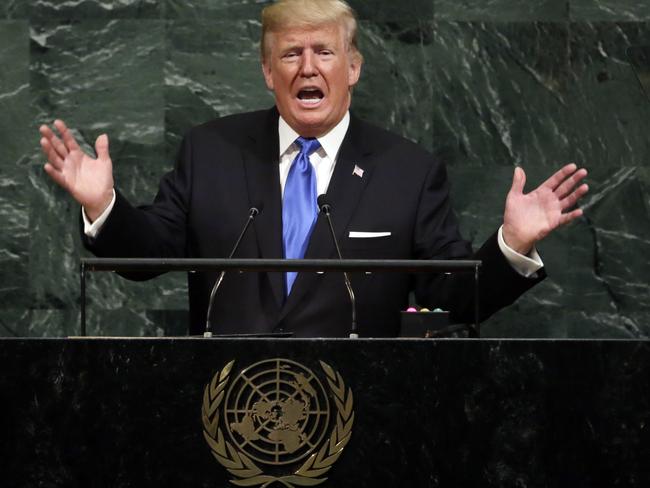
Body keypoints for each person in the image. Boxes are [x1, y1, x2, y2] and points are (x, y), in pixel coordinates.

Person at [38, 0, 588, 337]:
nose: (307, 68)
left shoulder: (408, 170)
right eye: (290, 53)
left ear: (352, 68)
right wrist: (102, 207)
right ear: (266, 71)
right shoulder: (210, 151)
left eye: (323, 52)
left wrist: (510, 245)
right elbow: (149, 255)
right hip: (227, 412)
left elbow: (450, 298)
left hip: (363, 415)